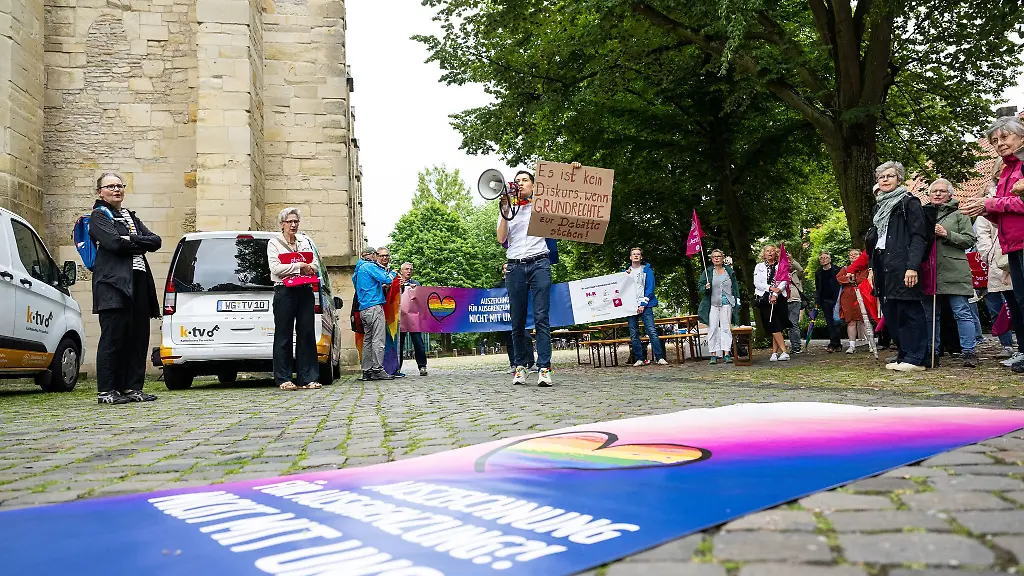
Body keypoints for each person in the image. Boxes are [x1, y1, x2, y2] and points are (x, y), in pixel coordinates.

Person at [89, 172, 162, 405]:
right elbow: (113, 243)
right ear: (100, 191)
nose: (116, 190)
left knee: (138, 336)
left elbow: (156, 241)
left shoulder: (130, 216)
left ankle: (132, 388)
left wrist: (129, 239)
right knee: (113, 337)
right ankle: (107, 391)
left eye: (119, 186)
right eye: (110, 186)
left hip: (138, 282)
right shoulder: (99, 216)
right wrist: (135, 241)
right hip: (113, 284)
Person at [498, 168, 570, 387]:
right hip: (515, 265)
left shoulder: (543, 206)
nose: (520, 183)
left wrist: (573, 171)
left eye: (525, 180)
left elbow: (566, 197)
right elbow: (501, 238)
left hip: (539, 262)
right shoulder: (508, 208)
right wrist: (503, 211)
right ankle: (520, 366)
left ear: (533, 185)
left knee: (541, 317)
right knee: (517, 320)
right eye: (517, 180)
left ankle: (544, 368)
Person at [962, 116, 1024, 371]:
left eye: (1005, 137)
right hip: (1012, 244)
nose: (999, 144)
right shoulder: (1007, 170)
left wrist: (990, 204)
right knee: (1020, 302)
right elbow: (1005, 213)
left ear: (1022, 137)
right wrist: (986, 211)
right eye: (995, 140)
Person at [867, 161, 928, 372]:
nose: (885, 180)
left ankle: (917, 357)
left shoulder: (909, 203)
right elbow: (875, 240)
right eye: (881, 177)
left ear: (899, 179)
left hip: (903, 263)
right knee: (891, 312)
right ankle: (904, 354)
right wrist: (872, 268)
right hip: (883, 263)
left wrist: (912, 266)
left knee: (909, 310)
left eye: (890, 176)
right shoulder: (880, 206)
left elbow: (919, 237)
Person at [923, 179, 979, 367]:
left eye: (942, 191)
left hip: (954, 270)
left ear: (950, 194)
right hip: (930, 271)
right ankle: (932, 352)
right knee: (931, 315)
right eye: (934, 191)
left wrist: (947, 234)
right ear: (929, 195)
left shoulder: (959, 214)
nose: (938, 194)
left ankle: (969, 352)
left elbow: (970, 240)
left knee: (962, 312)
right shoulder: (923, 214)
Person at [267, 207, 322, 391]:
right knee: (283, 335)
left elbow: (313, 263)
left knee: (306, 333)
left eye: (296, 221)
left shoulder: (304, 241)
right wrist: (299, 265)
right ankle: (283, 378)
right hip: (284, 292)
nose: (293, 225)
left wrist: (306, 266)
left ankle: (308, 378)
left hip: (304, 290)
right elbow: (276, 268)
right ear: (282, 224)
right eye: (289, 221)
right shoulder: (274, 244)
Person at [976, 181, 1019, 361]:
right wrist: (989, 255)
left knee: (1016, 304)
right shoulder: (983, 213)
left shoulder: (1009, 202)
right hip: (995, 263)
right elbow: (982, 236)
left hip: (1012, 254)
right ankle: (1006, 344)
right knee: (995, 306)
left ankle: (1020, 346)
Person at [353, 246, 397, 380]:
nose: (377, 258)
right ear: (371, 255)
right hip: (374, 307)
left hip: (363, 309)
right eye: (376, 255)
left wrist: (378, 287)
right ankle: (378, 369)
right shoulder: (369, 266)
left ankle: (366, 371)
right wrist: (393, 273)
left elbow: (364, 286)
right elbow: (387, 278)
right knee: (378, 339)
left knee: (367, 341)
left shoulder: (358, 270)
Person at [624, 247, 668, 366]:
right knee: (633, 333)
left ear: (641, 257)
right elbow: (622, 289)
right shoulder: (626, 272)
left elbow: (650, 288)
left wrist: (643, 304)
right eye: (634, 254)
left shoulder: (647, 270)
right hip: (631, 306)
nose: (636, 256)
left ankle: (659, 357)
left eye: (638, 254)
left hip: (646, 305)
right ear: (630, 257)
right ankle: (640, 359)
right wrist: (624, 275)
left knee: (651, 331)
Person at [698, 249, 740, 364]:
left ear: (722, 258)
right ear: (712, 259)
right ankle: (713, 354)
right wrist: (705, 288)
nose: (716, 258)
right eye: (714, 257)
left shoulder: (729, 271)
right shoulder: (708, 272)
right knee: (712, 328)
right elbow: (700, 286)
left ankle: (726, 353)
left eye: (718, 256)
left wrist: (737, 301)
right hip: (712, 304)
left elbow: (735, 287)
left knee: (726, 328)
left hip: (727, 303)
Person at [754, 244, 791, 362]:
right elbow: (757, 283)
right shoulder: (759, 266)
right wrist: (770, 288)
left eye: (772, 251)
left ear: (776, 253)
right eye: (767, 251)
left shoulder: (781, 265)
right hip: (764, 297)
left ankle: (775, 353)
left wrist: (776, 293)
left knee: (777, 324)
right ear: (764, 254)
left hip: (779, 297)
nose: (770, 253)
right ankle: (784, 351)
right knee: (771, 324)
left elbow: (784, 280)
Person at [398, 262, 428, 376]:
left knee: (418, 342)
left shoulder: (416, 283)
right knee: (399, 344)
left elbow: (420, 299)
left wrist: (416, 290)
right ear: (402, 271)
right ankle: (397, 368)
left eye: (411, 269)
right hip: (400, 317)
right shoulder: (396, 281)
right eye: (406, 269)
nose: (409, 271)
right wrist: (401, 287)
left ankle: (422, 366)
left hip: (413, 318)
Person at [837, 249, 869, 354]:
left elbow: (863, 279)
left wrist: (851, 279)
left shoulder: (865, 268)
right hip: (848, 297)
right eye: (851, 255)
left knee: (865, 320)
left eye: (855, 254)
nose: (853, 256)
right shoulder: (845, 268)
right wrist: (850, 280)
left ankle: (871, 344)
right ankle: (852, 346)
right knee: (851, 321)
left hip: (862, 295)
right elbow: (839, 278)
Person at [814, 251, 843, 352]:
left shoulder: (837, 270)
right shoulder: (818, 273)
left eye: (825, 257)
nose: (823, 259)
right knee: (829, 323)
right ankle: (833, 343)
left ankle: (836, 343)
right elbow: (818, 288)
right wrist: (817, 301)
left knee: (837, 322)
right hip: (825, 300)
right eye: (821, 258)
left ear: (830, 259)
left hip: (837, 299)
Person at [786, 257, 805, 354]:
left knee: (793, 323)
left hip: (795, 300)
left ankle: (797, 346)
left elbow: (801, 270)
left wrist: (792, 260)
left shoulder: (795, 274)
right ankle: (794, 346)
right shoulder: (780, 274)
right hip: (784, 301)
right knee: (788, 325)